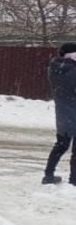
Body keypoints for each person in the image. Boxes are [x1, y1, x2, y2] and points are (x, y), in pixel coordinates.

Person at [43, 42, 76, 185]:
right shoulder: (73, 70)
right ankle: (74, 180)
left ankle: (48, 175)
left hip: (63, 113)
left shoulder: (54, 68)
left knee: (61, 144)